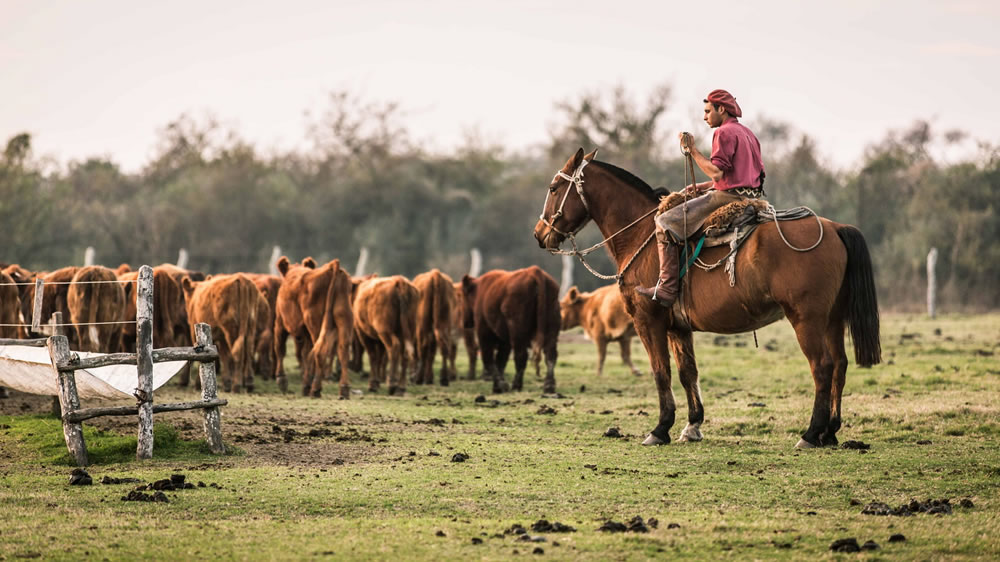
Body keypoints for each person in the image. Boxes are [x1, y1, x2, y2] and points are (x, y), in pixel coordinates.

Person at [636, 89, 766, 307]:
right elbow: (737, 176)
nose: (704, 117)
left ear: (721, 109)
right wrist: (702, 187)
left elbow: (717, 173)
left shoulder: (723, 133)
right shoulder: (748, 133)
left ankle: (667, 288)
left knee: (664, 222)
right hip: (750, 197)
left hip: (728, 199)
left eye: (707, 111)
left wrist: (693, 150)